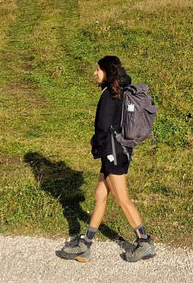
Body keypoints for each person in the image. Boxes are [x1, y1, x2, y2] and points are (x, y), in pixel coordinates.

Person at [60, 55, 156, 263]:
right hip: (115, 151)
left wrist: (97, 148)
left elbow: (103, 127)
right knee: (100, 195)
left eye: (98, 69)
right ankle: (86, 243)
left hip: (113, 154)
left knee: (122, 199)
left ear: (107, 72)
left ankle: (144, 242)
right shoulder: (118, 92)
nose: (95, 73)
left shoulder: (109, 95)